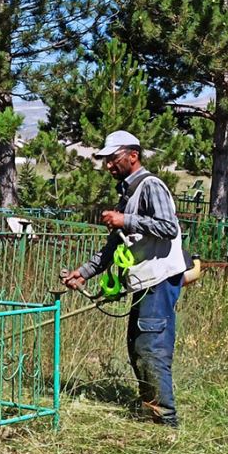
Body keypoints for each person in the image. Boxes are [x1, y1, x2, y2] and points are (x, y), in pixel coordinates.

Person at [62, 130, 187, 427]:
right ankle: (150, 413)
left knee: (150, 348)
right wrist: (86, 272)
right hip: (144, 283)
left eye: (113, 159)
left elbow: (168, 227)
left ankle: (165, 423)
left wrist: (125, 219)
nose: (108, 166)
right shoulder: (127, 192)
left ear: (133, 156)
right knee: (137, 345)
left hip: (159, 280)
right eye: (105, 160)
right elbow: (115, 245)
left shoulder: (150, 185)